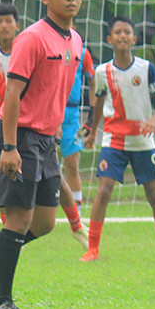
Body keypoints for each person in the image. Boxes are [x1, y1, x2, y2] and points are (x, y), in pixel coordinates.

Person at [0, 0, 86, 309]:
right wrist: (10, 146)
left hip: (47, 139)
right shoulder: (33, 38)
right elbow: (11, 95)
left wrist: (55, 130)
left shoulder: (75, 40)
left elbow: (54, 91)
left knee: (44, 223)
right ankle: (3, 302)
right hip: (20, 136)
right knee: (18, 220)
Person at [0, 3, 90, 250]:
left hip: (37, 125)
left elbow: (49, 87)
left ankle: (75, 223)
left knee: (55, 177)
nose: (4, 25)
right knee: (9, 185)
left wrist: (54, 120)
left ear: (18, 25)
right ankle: (12, 237)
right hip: (7, 125)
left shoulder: (30, 45)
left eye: (8, 21)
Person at [81, 16, 155, 263]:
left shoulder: (146, 69)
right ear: (109, 39)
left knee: (153, 194)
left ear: (134, 39)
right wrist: (93, 132)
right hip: (114, 139)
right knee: (104, 191)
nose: (122, 36)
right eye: (118, 32)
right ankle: (92, 249)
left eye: (127, 32)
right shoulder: (102, 71)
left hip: (142, 139)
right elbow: (99, 103)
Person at [60, 41, 96, 211]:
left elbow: (93, 83)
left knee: (72, 166)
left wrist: (91, 116)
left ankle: (77, 214)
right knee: (46, 166)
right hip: (49, 112)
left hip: (71, 116)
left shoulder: (83, 54)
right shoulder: (48, 48)